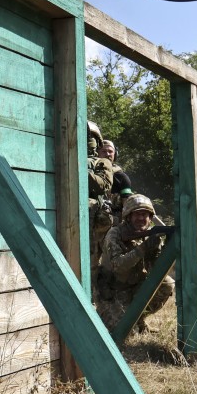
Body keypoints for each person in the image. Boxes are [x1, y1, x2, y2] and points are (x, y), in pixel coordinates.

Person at [96, 193, 174, 334]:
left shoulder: (149, 236)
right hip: (112, 294)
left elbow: (155, 271)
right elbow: (118, 265)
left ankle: (139, 319)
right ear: (128, 216)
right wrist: (143, 248)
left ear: (150, 218)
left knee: (166, 284)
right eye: (137, 214)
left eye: (145, 215)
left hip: (133, 288)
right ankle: (113, 318)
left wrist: (163, 250)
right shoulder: (115, 234)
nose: (141, 218)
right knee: (123, 332)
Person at [87, 121, 115, 286]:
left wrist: (83, 171)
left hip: (94, 217)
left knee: (93, 260)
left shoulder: (102, 163)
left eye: (91, 138)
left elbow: (103, 185)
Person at [98, 139, 133, 225]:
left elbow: (127, 205)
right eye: (103, 151)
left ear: (115, 154)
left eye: (110, 151)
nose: (107, 154)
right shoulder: (89, 174)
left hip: (113, 225)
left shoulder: (122, 178)